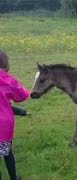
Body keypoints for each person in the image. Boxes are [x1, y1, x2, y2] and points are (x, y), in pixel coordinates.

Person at [0, 50, 29, 180]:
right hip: (3, 127)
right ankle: (13, 178)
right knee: (7, 153)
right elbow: (22, 95)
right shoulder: (7, 80)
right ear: (6, 64)